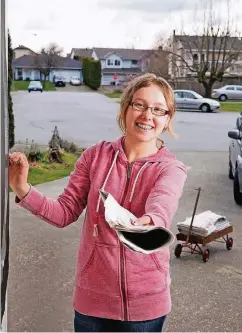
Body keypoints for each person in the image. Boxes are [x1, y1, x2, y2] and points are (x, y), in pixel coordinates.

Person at [9, 73, 187, 332]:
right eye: (139, 104)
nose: (148, 115)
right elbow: (63, 212)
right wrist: (22, 188)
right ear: (126, 107)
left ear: (167, 118)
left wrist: (149, 222)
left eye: (158, 109)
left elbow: (163, 201)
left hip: (144, 308)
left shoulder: (171, 168)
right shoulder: (95, 157)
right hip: (91, 303)